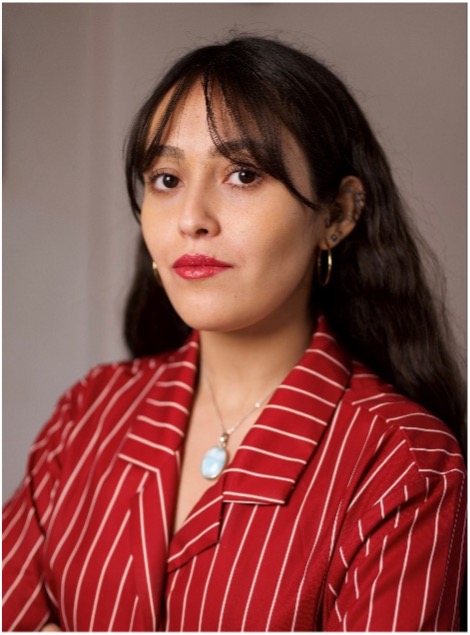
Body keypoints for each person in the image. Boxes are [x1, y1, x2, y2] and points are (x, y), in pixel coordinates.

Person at [2, 35, 466, 632]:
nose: (192, 217)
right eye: (167, 178)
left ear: (338, 214)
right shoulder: (88, 416)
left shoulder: (403, 466)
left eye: (243, 174)